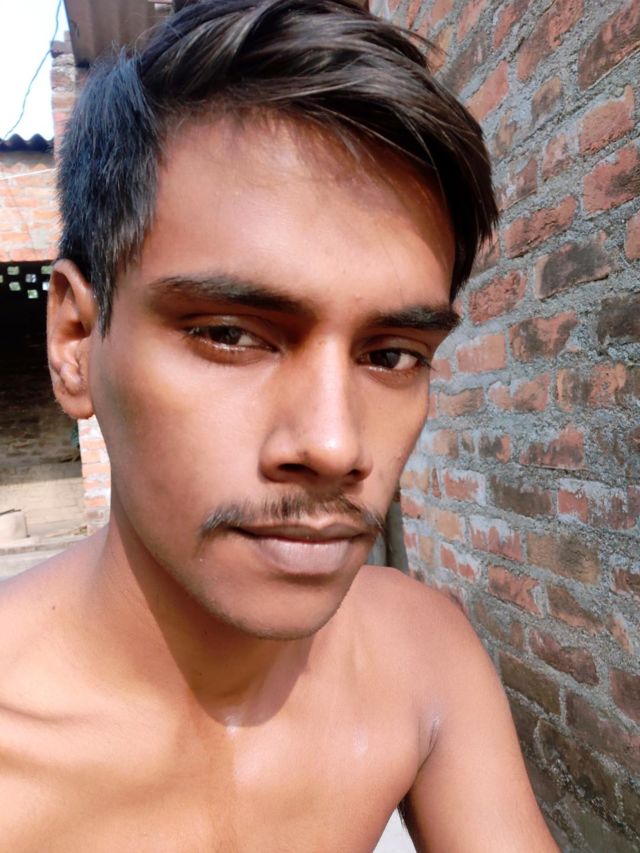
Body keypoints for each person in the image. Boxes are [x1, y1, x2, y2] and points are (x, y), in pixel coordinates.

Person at [0, 1, 558, 849]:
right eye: (230, 335)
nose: (335, 445)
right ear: (76, 340)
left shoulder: (422, 655)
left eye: (392, 353)